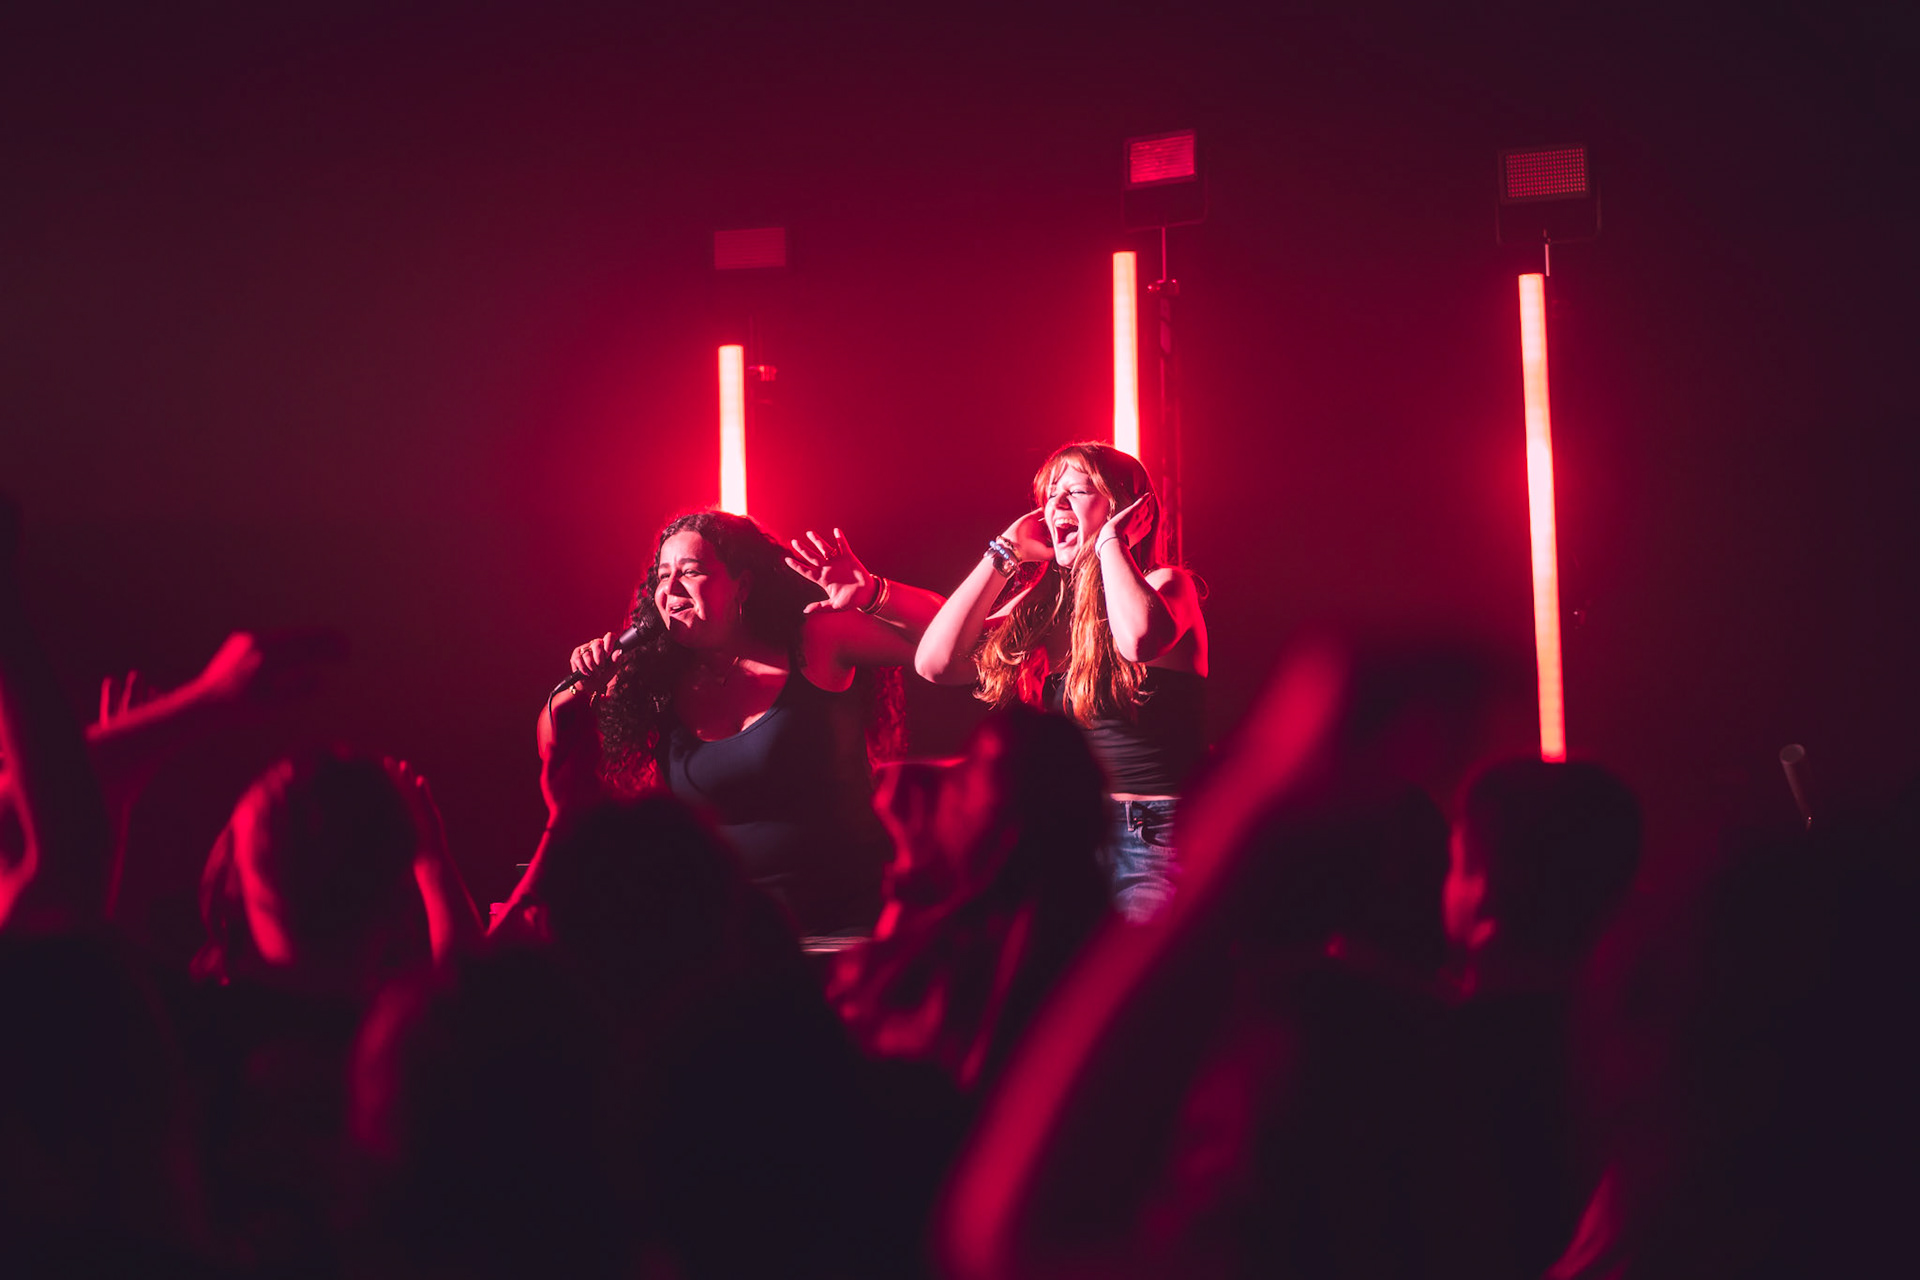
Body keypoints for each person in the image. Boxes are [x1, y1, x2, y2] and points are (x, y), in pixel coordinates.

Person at [552, 510, 942, 938]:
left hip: (852, 926)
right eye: (663, 576)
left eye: (691, 571)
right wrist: (583, 687)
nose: (671, 587)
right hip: (731, 938)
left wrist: (874, 593)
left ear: (744, 585)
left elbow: (951, 638)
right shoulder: (654, 679)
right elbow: (556, 751)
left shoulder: (814, 639)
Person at [916, 442, 1208, 922]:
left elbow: (1138, 640)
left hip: (1156, 832)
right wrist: (1004, 551)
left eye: (1078, 490)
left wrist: (1111, 541)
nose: (1057, 504)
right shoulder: (1049, 608)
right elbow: (935, 663)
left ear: (1129, 510)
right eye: (1051, 494)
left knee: (1140, 965)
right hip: (1073, 830)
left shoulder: (1168, 585)